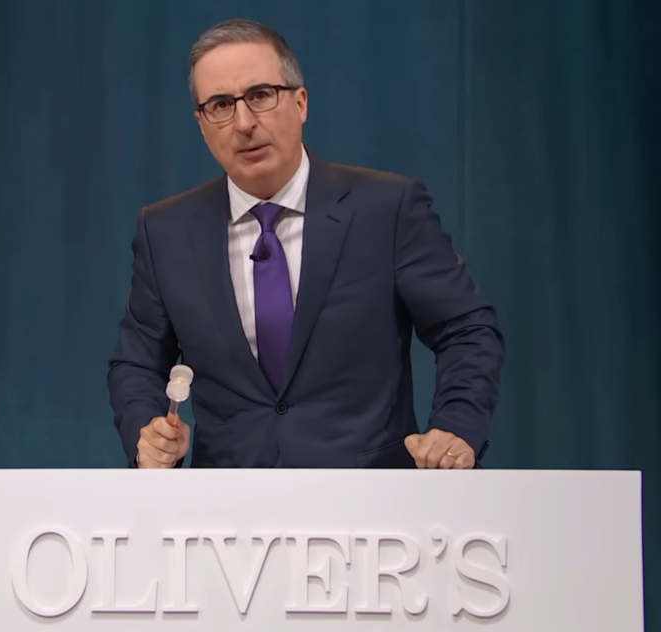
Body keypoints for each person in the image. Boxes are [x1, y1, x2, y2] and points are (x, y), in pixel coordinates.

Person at [107, 18, 504, 469]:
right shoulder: (166, 231)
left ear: (300, 103)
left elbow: (467, 329)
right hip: (228, 501)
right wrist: (148, 433)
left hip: (370, 498)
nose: (244, 123)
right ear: (201, 124)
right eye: (220, 105)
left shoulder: (387, 209)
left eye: (260, 95)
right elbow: (137, 363)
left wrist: (456, 426)